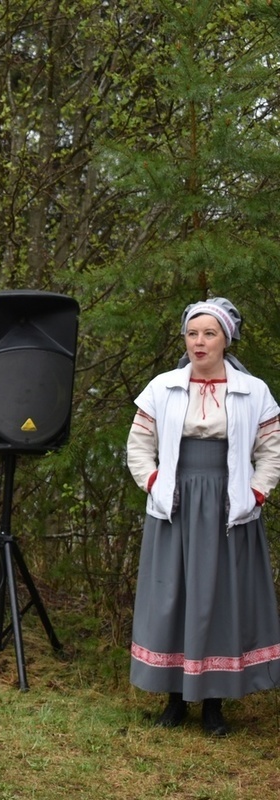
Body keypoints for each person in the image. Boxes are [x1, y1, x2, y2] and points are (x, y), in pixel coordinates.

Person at [126, 297, 280, 736]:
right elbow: (138, 445)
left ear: (225, 340)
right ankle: (174, 700)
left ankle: (213, 705)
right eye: (193, 333)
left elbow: (271, 452)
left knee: (217, 598)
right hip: (175, 505)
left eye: (209, 333)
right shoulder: (163, 387)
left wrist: (255, 493)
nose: (199, 342)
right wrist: (155, 483)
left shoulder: (255, 392)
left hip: (229, 504)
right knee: (174, 596)